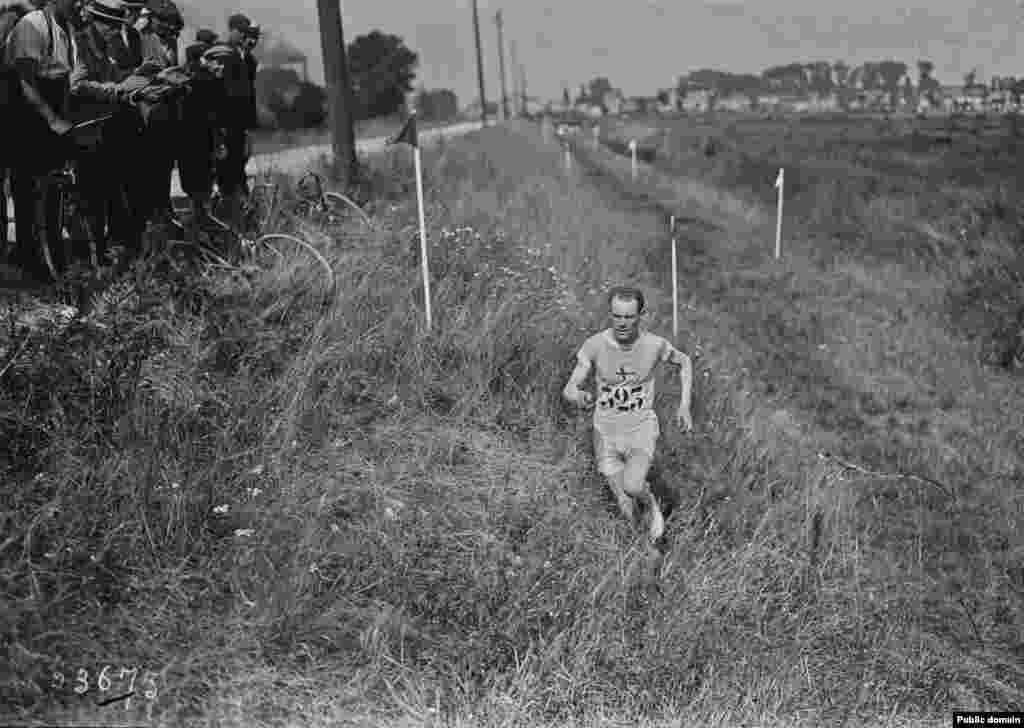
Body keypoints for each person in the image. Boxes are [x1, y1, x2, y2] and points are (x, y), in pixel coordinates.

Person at [562, 286, 694, 543]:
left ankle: (651, 502)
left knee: (632, 487)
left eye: (629, 317)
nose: (622, 323)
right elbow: (569, 387)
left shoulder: (655, 345)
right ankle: (643, 551)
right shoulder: (594, 345)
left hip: (639, 429)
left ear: (640, 315)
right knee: (624, 505)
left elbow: (685, 362)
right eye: (617, 316)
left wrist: (684, 406)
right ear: (610, 314)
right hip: (605, 433)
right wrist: (577, 395)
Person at [4, 0, 79, 281]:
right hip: (27, 118)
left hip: (53, 114)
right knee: (29, 193)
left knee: (53, 192)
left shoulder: (66, 29)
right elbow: (25, 82)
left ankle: (49, 254)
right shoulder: (32, 25)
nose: (80, 5)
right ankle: (30, 257)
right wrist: (52, 120)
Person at [69, 0, 143, 262]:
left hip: (106, 130)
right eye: (110, 25)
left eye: (116, 26)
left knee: (109, 193)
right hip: (86, 131)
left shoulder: (105, 44)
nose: (114, 31)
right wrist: (114, 89)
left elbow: (111, 78)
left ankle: (101, 254)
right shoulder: (79, 43)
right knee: (91, 197)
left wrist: (132, 85)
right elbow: (76, 85)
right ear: (96, 21)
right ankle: (91, 256)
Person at [214, 12, 257, 229]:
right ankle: (230, 218)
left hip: (239, 125)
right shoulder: (222, 54)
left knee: (238, 169)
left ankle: (241, 216)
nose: (242, 36)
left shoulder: (244, 56)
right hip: (226, 124)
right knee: (228, 173)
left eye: (244, 32)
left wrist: (248, 127)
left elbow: (248, 94)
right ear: (231, 30)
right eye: (239, 32)